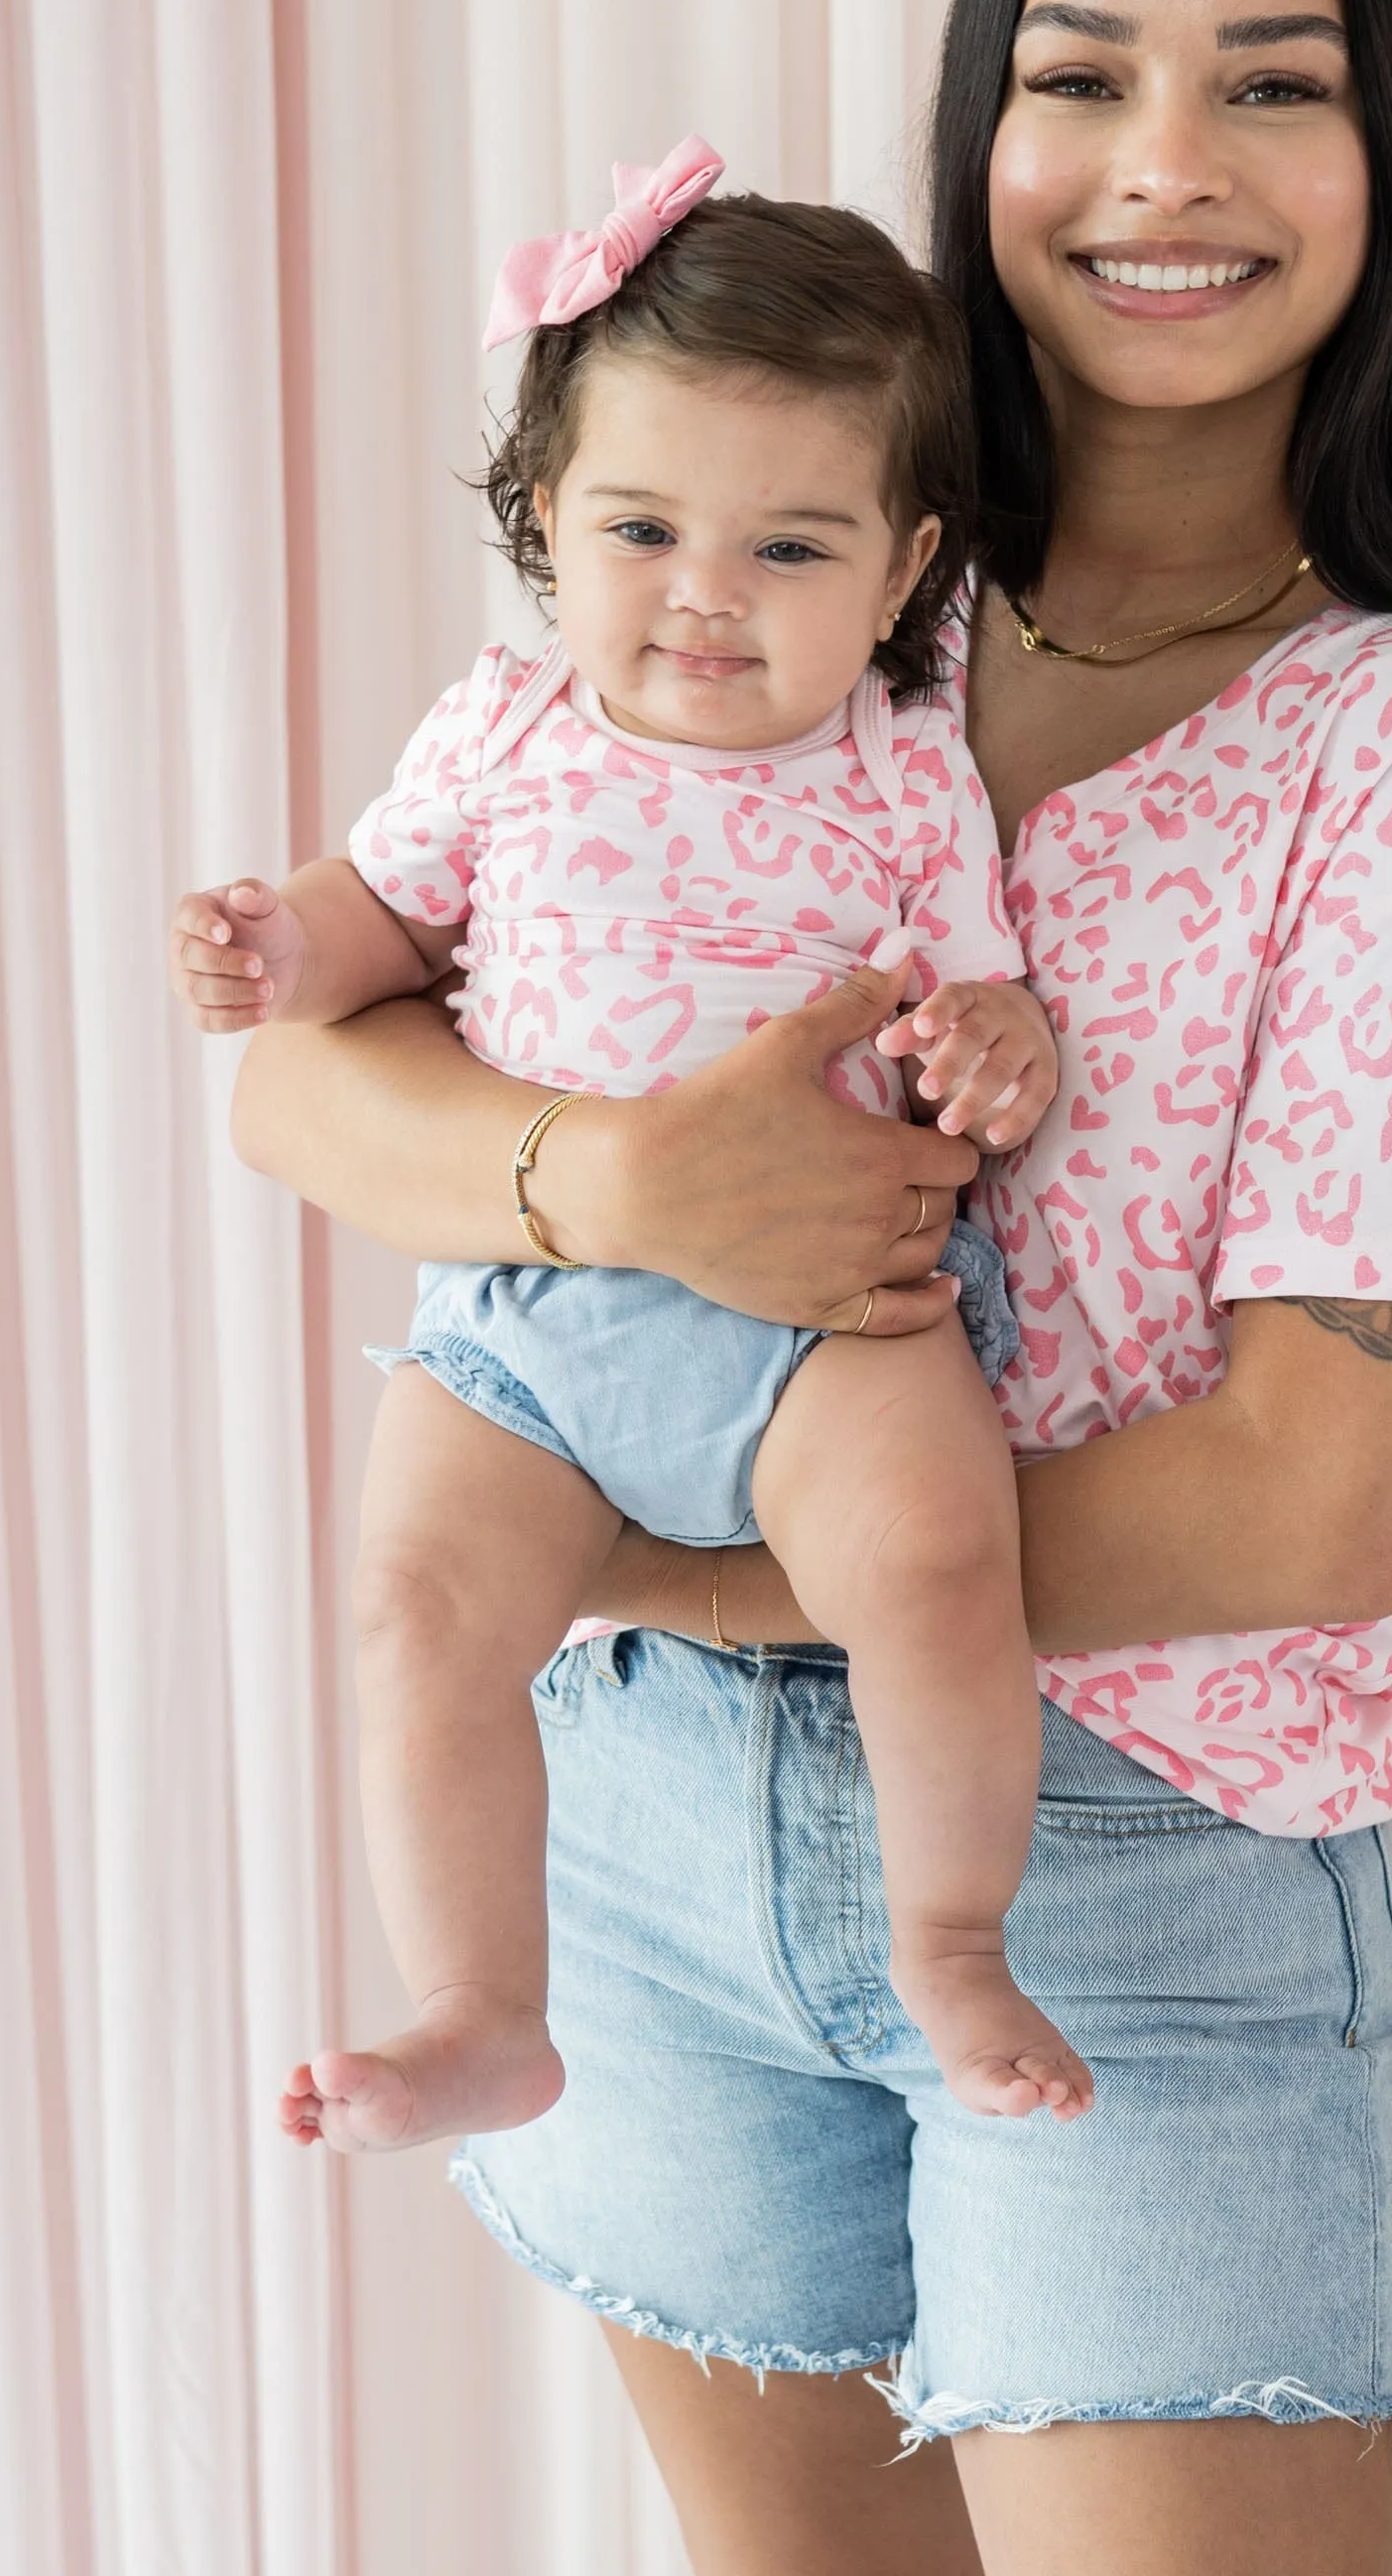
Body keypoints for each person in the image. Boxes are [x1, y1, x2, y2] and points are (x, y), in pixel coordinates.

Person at [235, 0, 1392, 2576]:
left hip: (1131, 1875)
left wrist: (622, 1564)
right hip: (636, 1851)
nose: (1162, 166)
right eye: (1080, 74)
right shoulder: (780, 563)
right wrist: (625, 1196)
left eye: (1279, 82)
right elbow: (306, 1082)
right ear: (982, 124)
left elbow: (1324, 1496)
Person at [172, 165, 1094, 2146]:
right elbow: (380, 926)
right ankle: (485, 2007)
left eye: (788, 547)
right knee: (416, 1606)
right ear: (546, 526)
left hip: (829, 1332)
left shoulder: (902, 766)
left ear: (904, 563)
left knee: (940, 1567)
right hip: (536, 1327)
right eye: (645, 528)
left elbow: (982, 993)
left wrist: (996, 1047)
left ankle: (948, 1930)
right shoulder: (504, 738)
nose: (705, 592)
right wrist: (277, 941)